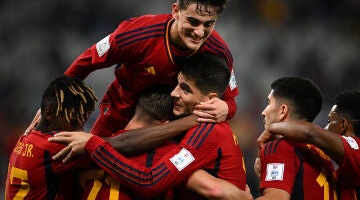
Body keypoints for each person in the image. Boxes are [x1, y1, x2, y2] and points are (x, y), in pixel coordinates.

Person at [26, 0, 239, 137]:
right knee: (90, 164)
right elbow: (87, 61)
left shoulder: (219, 53)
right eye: (193, 21)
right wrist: (55, 101)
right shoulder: (137, 34)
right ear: (175, 11)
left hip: (173, 125)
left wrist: (226, 109)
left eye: (208, 24)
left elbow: (229, 99)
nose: (200, 32)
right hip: (121, 111)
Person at [49, 53, 247, 199]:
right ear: (165, 122)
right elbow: (217, 189)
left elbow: (151, 181)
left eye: (185, 89)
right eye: (177, 84)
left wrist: (93, 145)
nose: (174, 93)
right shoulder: (180, 142)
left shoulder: (203, 130)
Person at [80, 83, 250, 199]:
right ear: (167, 125)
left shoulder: (86, 145)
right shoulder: (167, 153)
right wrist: (244, 196)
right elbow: (215, 189)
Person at [5, 76, 97, 199]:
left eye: (82, 124)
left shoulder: (25, 139)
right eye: (73, 122)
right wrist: (91, 142)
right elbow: (110, 147)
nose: (80, 132)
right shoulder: (54, 146)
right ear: (49, 114)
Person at [257, 89, 360, 199]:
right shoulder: (338, 167)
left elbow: (311, 133)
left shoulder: (357, 151)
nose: (325, 128)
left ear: (343, 125)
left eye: (329, 121)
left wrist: (272, 128)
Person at [256, 77, 336, 199]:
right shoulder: (322, 154)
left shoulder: (280, 147)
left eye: (268, 103)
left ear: (283, 111)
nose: (263, 112)